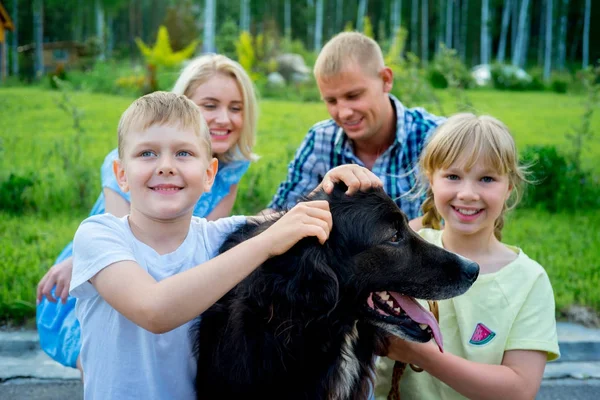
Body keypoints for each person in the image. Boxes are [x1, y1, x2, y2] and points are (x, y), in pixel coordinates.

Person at [69, 90, 338, 399]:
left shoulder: (216, 237)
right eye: (147, 153)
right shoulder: (99, 235)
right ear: (121, 175)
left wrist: (331, 188)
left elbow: (286, 219)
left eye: (184, 153)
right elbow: (154, 310)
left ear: (209, 174)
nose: (166, 166)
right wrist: (266, 242)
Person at [36, 53, 260, 371]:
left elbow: (203, 238)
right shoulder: (132, 161)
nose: (224, 118)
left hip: (171, 266)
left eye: (235, 108)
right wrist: (79, 260)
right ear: (181, 105)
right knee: (101, 351)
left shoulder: (230, 173)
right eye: (210, 106)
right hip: (113, 265)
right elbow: (122, 231)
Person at [385, 113, 560, 400]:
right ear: (431, 180)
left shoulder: (528, 281)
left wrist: (422, 355)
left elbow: (519, 389)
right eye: (453, 176)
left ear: (509, 188)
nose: (467, 193)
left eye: (487, 179)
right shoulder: (402, 252)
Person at [268, 31, 445, 221]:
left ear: (386, 80)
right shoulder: (320, 139)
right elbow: (279, 215)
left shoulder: (435, 136)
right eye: (331, 101)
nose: (343, 113)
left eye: (353, 96)